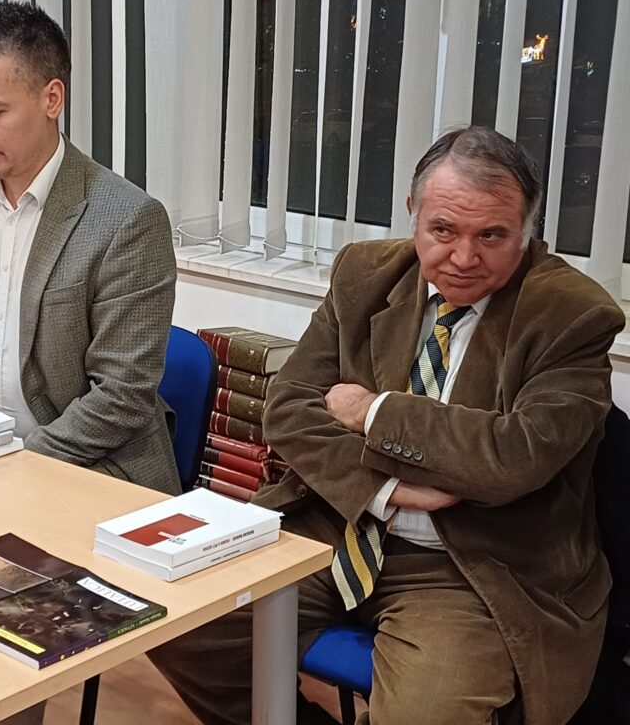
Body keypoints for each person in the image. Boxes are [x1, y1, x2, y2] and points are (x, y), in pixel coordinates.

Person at [149, 126, 625, 724]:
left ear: (528, 228)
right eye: (443, 230)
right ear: (412, 212)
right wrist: (389, 488)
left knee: (425, 713)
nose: (464, 257)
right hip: (335, 525)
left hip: (473, 568)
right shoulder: (365, 273)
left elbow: (514, 458)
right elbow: (289, 409)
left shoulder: (572, 313)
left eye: (492, 235)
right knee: (170, 620)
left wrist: (370, 410)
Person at [0, 1, 179, 498]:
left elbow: (122, 394)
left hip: (88, 470)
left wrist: (12, 471)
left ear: (52, 99)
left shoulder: (127, 220)